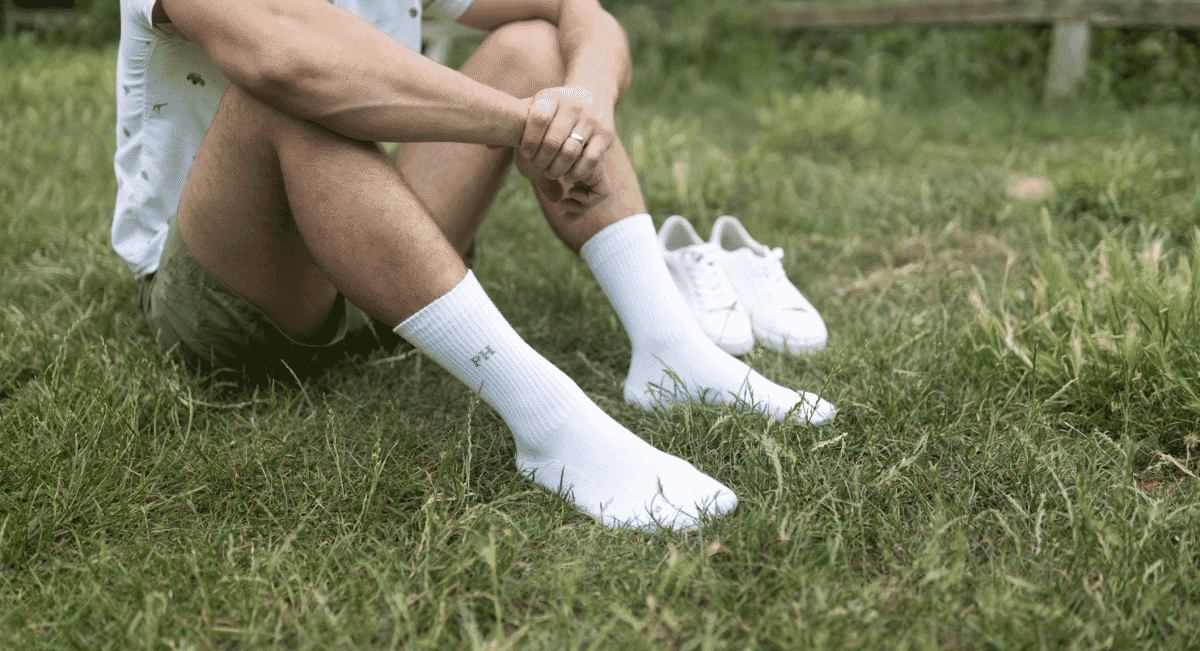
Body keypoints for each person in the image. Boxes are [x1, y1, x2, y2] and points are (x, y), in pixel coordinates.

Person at [112, 0, 836, 531]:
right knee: (285, 98)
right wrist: (524, 124)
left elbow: (579, 11)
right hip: (232, 293)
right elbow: (285, 59)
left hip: (367, 262)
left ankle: (670, 350)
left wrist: (587, 106)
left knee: (532, 47)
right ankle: (551, 426)